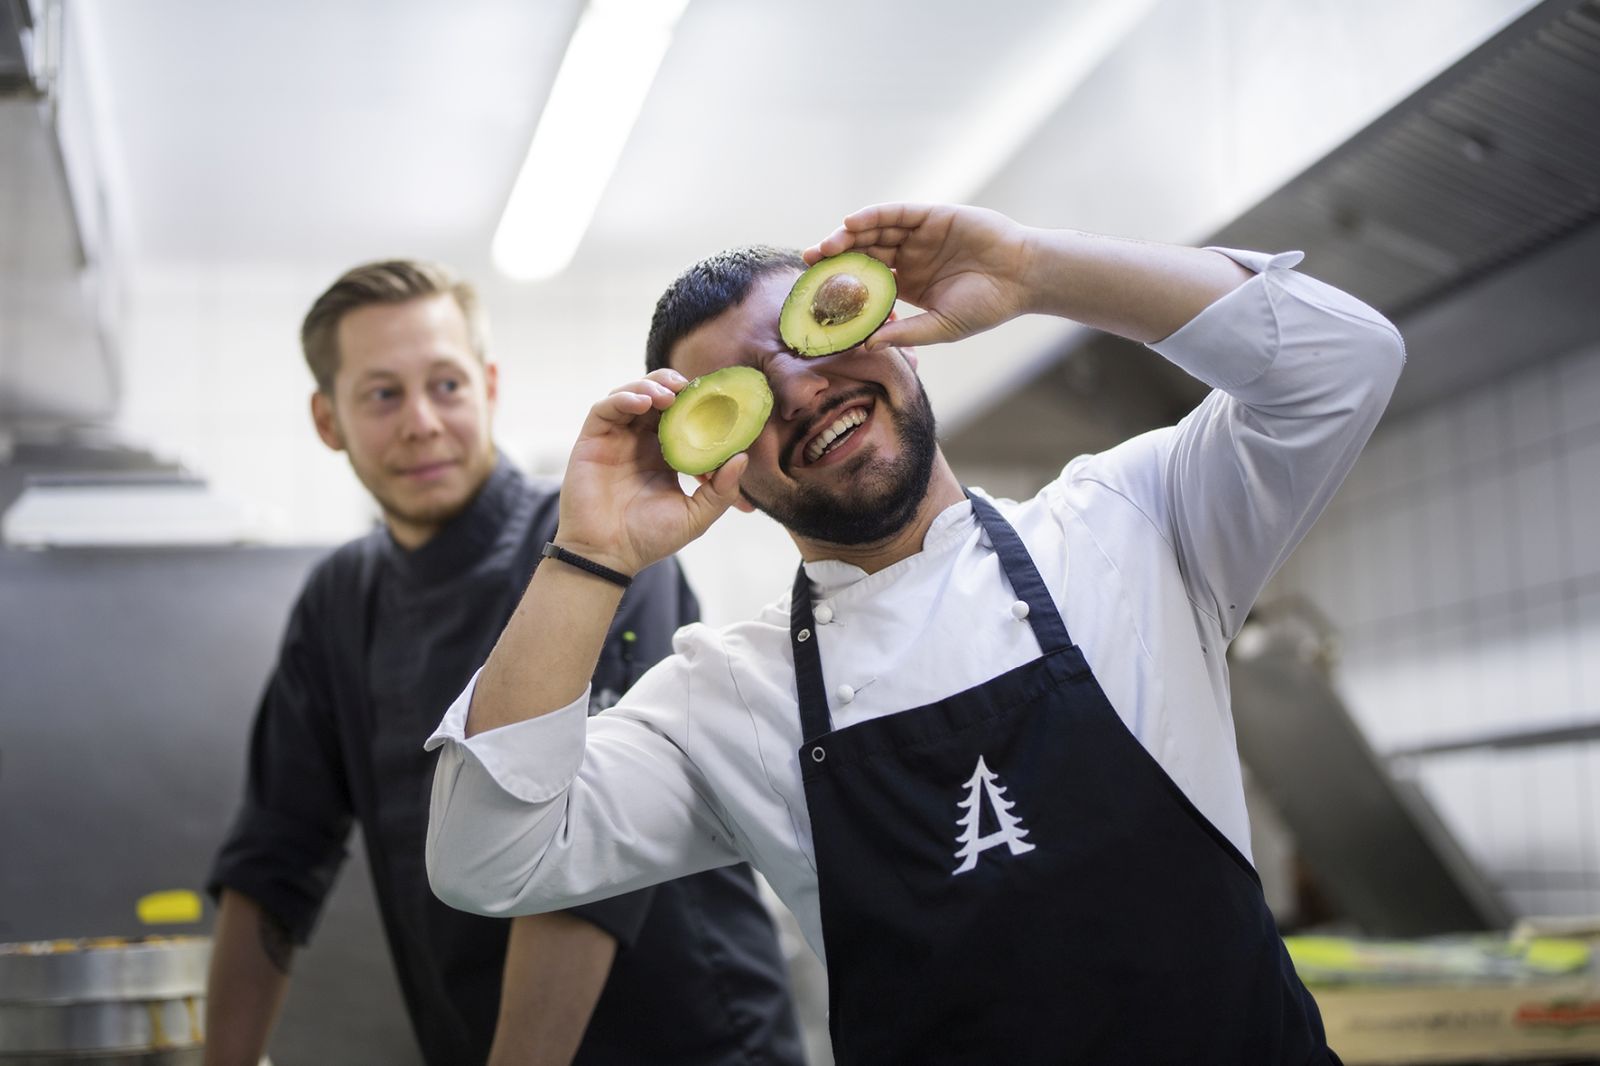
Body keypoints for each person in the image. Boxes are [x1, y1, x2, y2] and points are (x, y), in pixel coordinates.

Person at [425, 203, 1406, 1064]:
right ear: (723, 470)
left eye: (815, 338)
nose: (803, 391)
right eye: (743, 398)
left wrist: (1033, 269)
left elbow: (1347, 361)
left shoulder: (1128, 524)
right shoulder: (722, 696)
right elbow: (487, 860)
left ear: (889, 328)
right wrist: (589, 556)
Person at [203, 259, 803, 1066]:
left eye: (445, 385)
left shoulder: (599, 542)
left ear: (487, 386)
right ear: (327, 418)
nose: (421, 421)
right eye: (383, 394)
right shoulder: (340, 601)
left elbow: (593, 865)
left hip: (693, 1037)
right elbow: (273, 859)